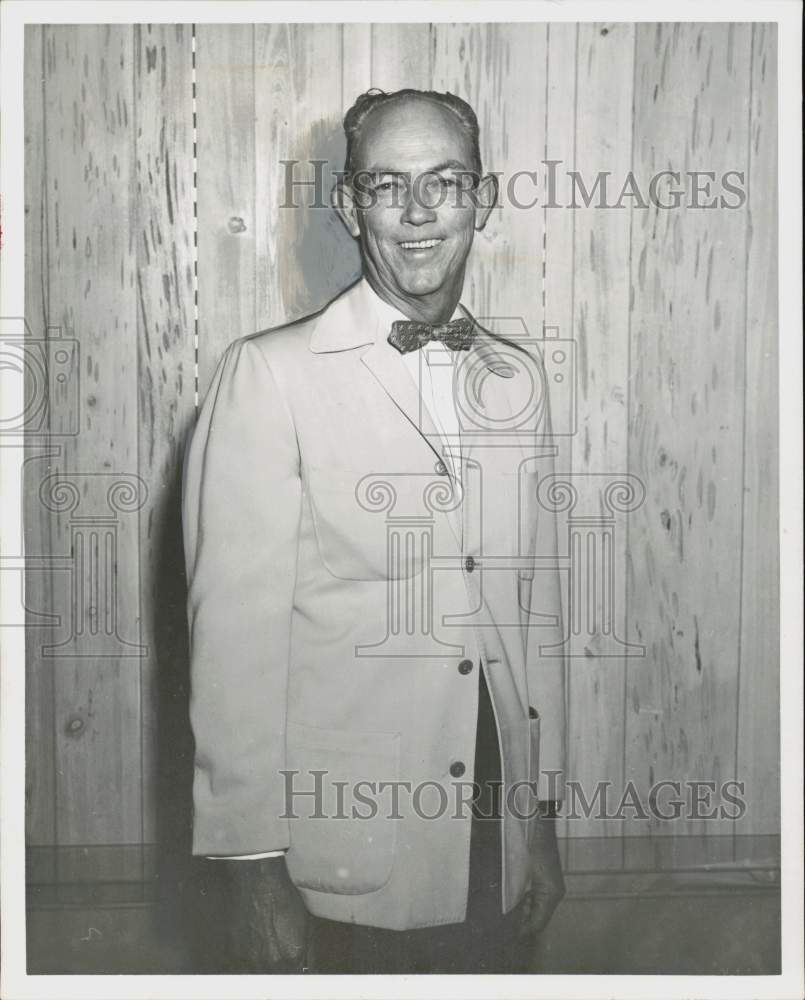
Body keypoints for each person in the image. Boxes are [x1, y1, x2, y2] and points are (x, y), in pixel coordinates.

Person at [182, 87, 567, 974]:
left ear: (483, 198)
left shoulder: (519, 380)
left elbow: (533, 616)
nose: (420, 211)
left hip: (491, 849)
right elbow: (232, 649)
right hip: (340, 866)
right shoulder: (268, 378)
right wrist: (250, 866)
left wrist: (538, 823)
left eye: (446, 181)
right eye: (387, 184)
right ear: (350, 206)